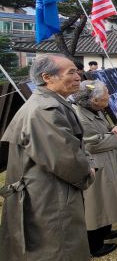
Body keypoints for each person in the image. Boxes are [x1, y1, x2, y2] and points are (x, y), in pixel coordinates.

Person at [0, 54, 95, 260]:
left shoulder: (50, 102)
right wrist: (88, 171)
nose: (79, 76)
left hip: (49, 191)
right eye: (71, 72)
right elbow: (66, 158)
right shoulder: (44, 109)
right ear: (47, 77)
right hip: (49, 197)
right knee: (60, 248)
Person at [72, 80, 117, 257]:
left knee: (108, 197)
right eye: (105, 96)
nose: (108, 97)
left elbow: (104, 130)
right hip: (96, 163)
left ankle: (106, 230)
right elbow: (92, 143)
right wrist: (115, 135)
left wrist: (113, 129)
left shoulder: (93, 110)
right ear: (94, 100)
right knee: (97, 203)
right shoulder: (80, 116)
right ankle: (94, 245)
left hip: (107, 159)